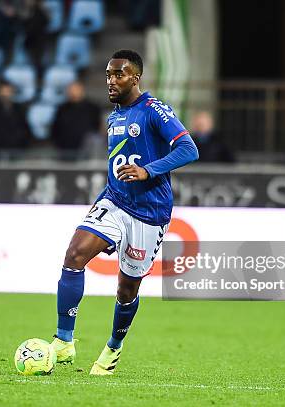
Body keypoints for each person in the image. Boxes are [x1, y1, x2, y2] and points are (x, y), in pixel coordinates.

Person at [50, 50, 198, 375]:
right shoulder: (114, 117)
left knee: (126, 289)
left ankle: (113, 347)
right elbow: (114, 168)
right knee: (74, 254)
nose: (111, 81)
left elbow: (189, 148)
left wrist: (148, 170)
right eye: (107, 75)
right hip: (114, 202)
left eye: (119, 74)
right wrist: (100, 200)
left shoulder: (154, 110)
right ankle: (63, 340)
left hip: (149, 213)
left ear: (136, 77)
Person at [50, 81, 101, 157]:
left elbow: (97, 128)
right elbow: (55, 129)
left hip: (86, 150)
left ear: (82, 91)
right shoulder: (61, 109)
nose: (73, 93)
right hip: (64, 149)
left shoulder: (93, 108)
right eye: (71, 90)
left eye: (76, 90)